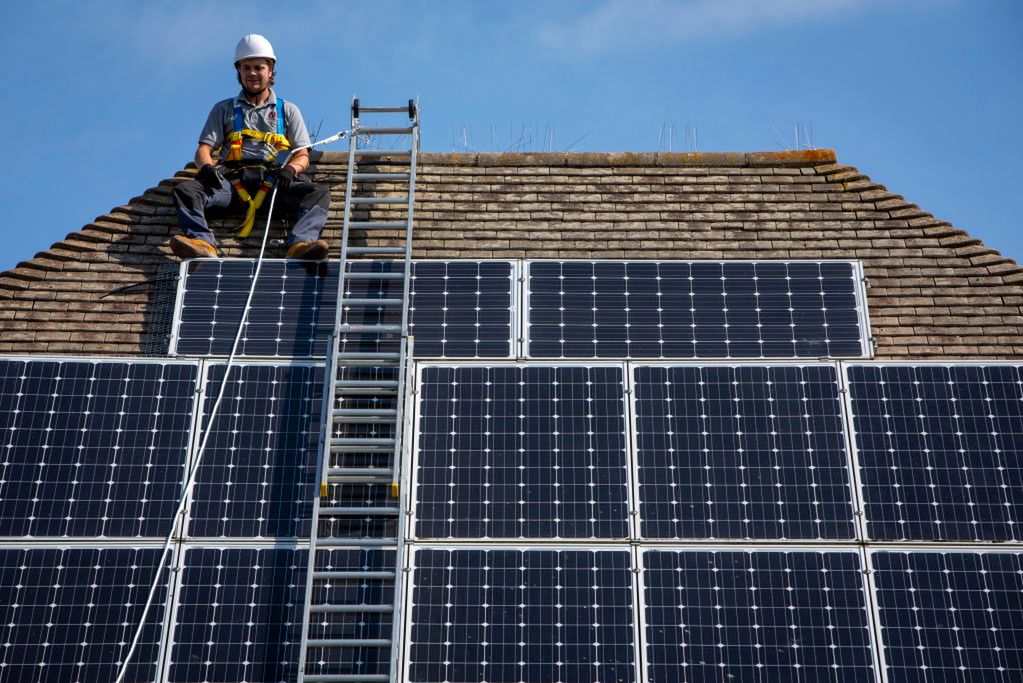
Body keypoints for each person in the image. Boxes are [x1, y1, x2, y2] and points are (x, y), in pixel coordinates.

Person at [169, 34, 330, 260]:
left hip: (274, 183)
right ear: (239, 72)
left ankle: (301, 244)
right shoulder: (223, 109)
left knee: (317, 192)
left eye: (258, 67)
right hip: (232, 184)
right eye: (246, 68)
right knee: (186, 191)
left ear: (270, 71)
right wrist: (205, 168)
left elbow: (302, 154)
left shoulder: (288, 110)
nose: (252, 73)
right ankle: (202, 243)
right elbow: (203, 150)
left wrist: (291, 170)